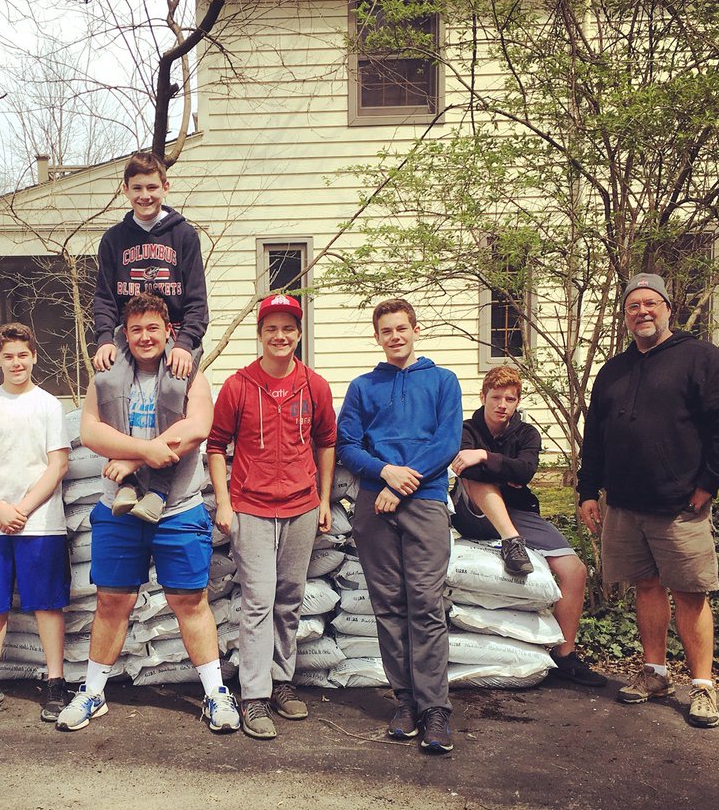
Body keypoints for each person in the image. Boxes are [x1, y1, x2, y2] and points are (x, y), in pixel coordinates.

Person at [57, 293, 240, 733]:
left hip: (178, 509)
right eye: (135, 329)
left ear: (168, 332)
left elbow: (197, 427)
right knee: (112, 601)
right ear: (124, 333)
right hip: (116, 508)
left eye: (152, 328)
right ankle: (93, 692)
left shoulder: (190, 374)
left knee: (189, 601)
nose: (144, 337)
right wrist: (146, 451)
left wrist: (133, 461)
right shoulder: (105, 375)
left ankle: (215, 693)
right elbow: (91, 431)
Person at [577, 272, 719, 728]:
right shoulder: (613, 371)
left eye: (651, 303)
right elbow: (594, 437)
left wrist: (709, 482)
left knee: (691, 593)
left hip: (679, 506)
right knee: (646, 586)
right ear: (626, 315)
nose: (642, 312)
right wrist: (586, 490)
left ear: (668, 308)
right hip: (624, 504)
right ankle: (654, 672)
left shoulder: (702, 360)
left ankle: (703, 687)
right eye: (634, 306)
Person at [206, 294, 337, 739]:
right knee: (259, 601)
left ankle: (282, 682)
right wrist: (224, 502)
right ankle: (254, 696)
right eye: (271, 329)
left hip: (300, 506)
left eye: (288, 329)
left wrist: (321, 499)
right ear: (260, 335)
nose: (280, 336)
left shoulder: (314, 385)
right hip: (251, 506)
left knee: (289, 598)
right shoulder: (239, 386)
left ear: (298, 334)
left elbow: (326, 441)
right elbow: (216, 446)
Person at [336, 299, 462, 754]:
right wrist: (384, 473)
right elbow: (347, 444)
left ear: (415, 330)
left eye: (402, 328)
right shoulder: (363, 386)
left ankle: (436, 711)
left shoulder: (443, 381)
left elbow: (447, 442)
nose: (395, 337)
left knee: (425, 604)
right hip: (375, 503)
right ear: (377, 336)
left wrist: (403, 482)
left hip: (424, 501)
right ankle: (405, 702)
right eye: (386, 330)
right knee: (388, 604)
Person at [449, 366, 606, 687]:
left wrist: (482, 456)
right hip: (473, 512)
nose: (502, 404)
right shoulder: (464, 428)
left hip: (518, 511)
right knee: (479, 481)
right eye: (496, 397)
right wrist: (498, 471)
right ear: (483, 397)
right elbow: (467, 472)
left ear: (517, 402)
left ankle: (565, 655)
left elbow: (525, 472)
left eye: (510, 398)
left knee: (574, 570)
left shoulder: (527, 434)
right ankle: (511, 541)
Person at [0, 323, 72, 723]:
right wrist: (0, 508)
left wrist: (22, 507)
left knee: (47, 603)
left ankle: (56, 683)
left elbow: (58, 463)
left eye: (23, 355)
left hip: (40, 523)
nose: (17, 362)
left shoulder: (48, 405)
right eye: (8, 356)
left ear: (34, 356)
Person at [90, 151, 210, 523]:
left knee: (173, 391)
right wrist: (105, 340)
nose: (145, 195)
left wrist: (187, 343)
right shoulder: (114, 239)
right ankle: (124, 480)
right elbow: (104, 297)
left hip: (172, 334)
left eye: (152, 187)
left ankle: (158, 488)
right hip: (129, 332)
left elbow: (196, 300)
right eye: (137, 188)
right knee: (109, 380)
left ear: (166, 187)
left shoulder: (183, 235)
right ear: (124, 190)